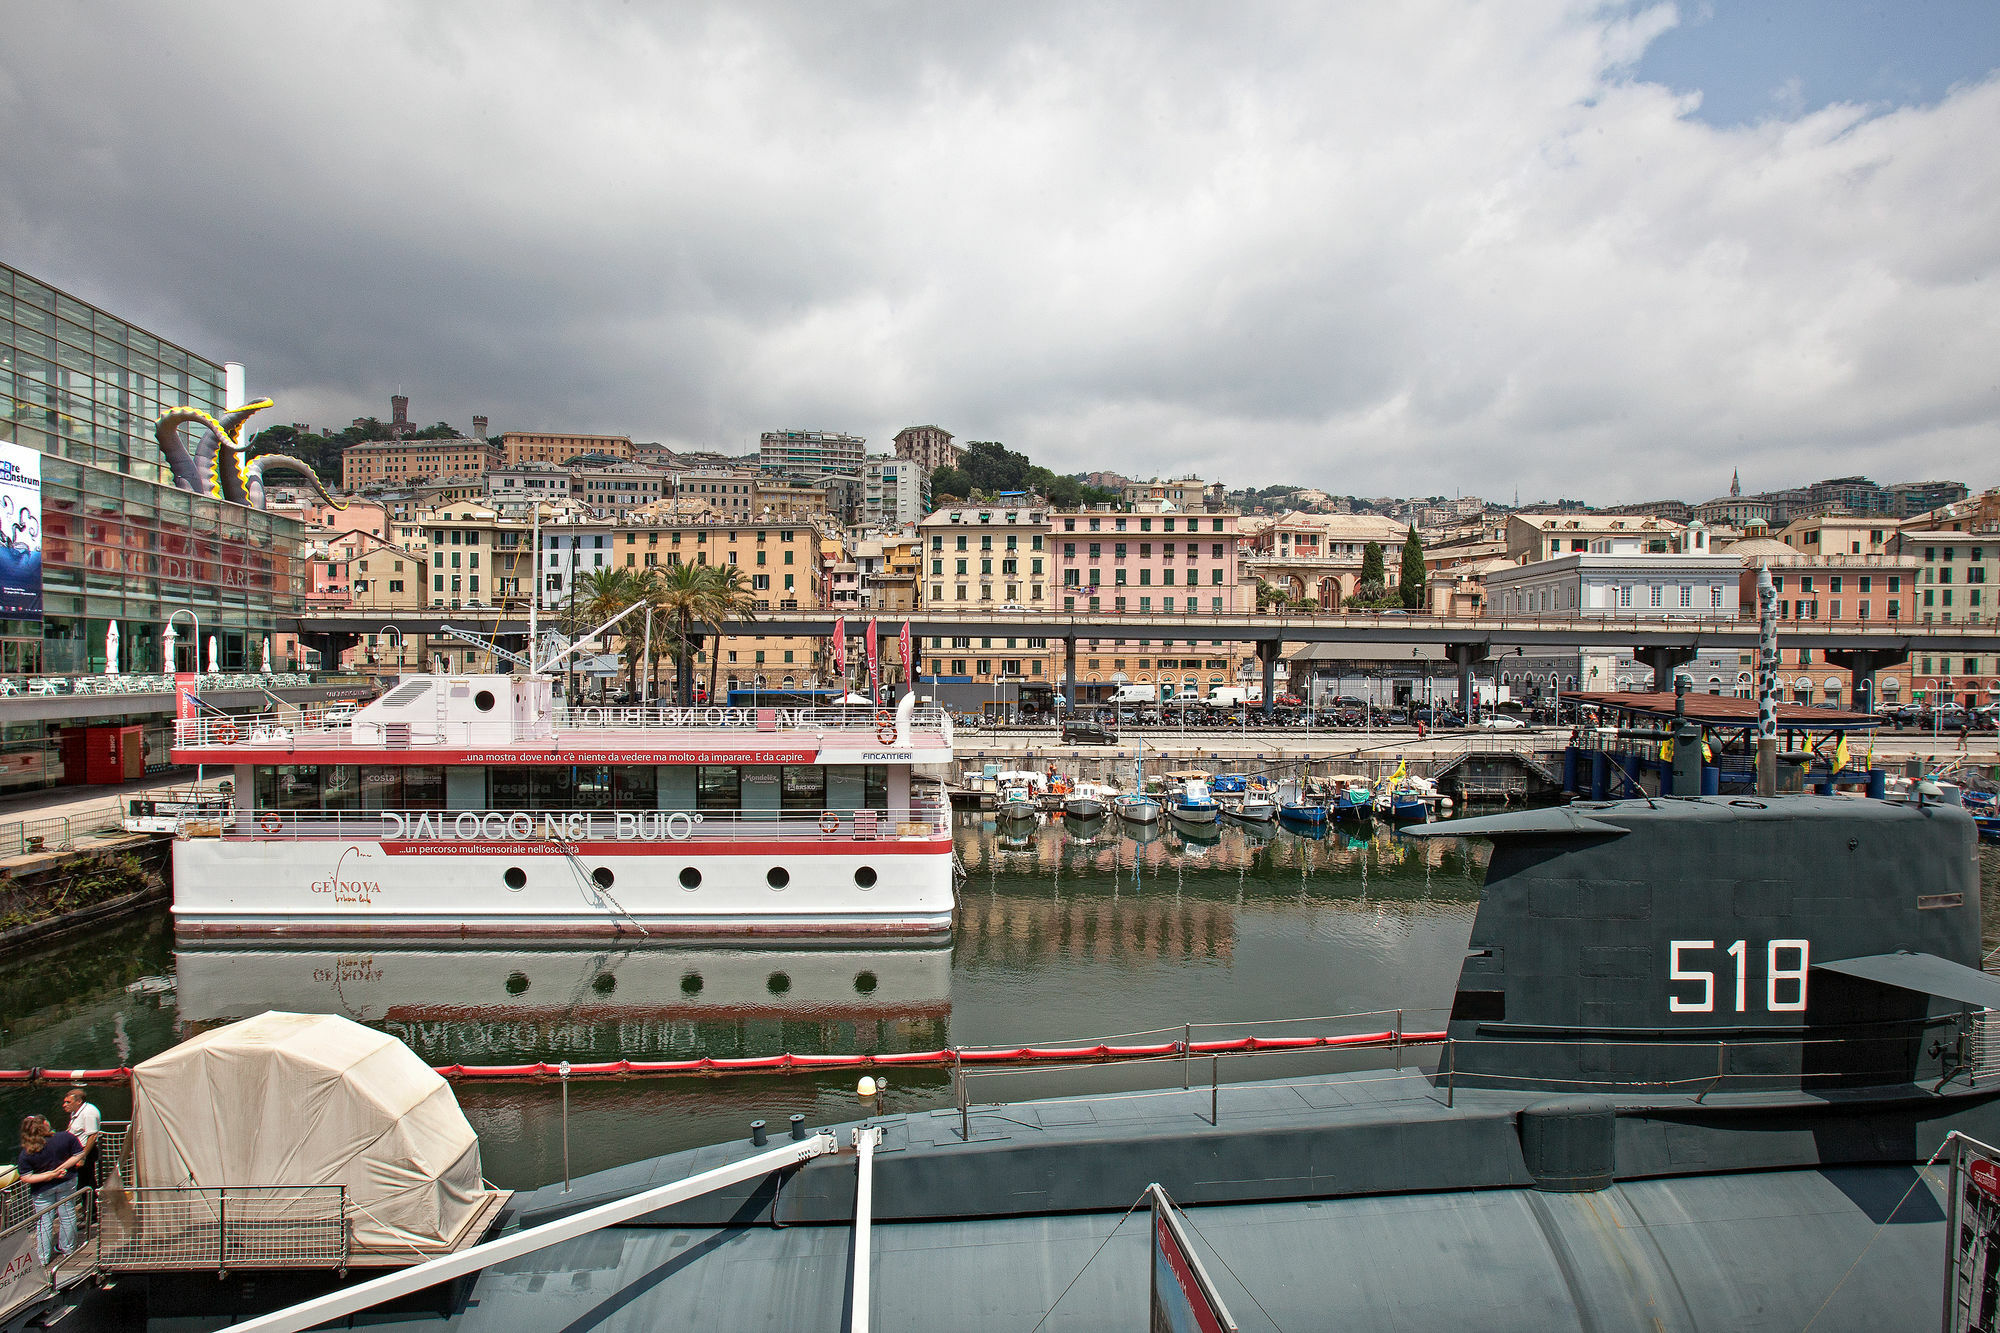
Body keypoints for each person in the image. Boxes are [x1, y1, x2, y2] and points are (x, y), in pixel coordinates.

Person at [15, 1115, 85, 1265]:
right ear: (45, 1124)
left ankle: (43, 1258)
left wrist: (48, 1176)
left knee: (44, 1222)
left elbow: (26, 1177)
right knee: (68, 1215)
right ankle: (68, 1249)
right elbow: (79, 1154)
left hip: (43, 1189)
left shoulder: (27, 1152)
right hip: (66, 1182)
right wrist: (61, 1168)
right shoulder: (65, 1137)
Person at [63, 1086, 103, 1191]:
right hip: (76, 1151)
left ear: (79, 1101)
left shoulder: (89, 1113)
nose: (64, 1105)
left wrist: (83, 1157)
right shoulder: (75, 1112)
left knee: (87, 1181)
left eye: (68, 1102)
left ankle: (91, 1206)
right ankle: (85, 1203)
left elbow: (93, 1135)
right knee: (80, 1181)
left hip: (85, 1152)